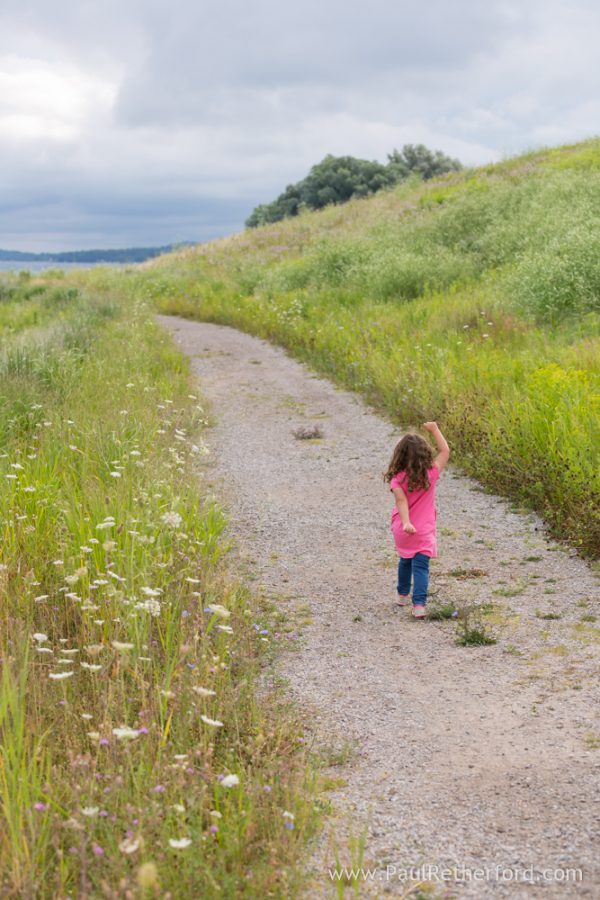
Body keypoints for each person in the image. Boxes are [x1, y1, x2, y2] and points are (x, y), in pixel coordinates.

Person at [384, 422, 450, 619]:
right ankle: (419, 605)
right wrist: (435, 429)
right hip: (423, 530)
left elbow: (401, 500)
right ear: (424, 454)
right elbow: (445, 450)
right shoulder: (431, 473)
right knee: (421, 566)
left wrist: (406, 523)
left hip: (403, 529)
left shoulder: (397, 479)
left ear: (399, 456)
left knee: (405, 560)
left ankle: (402, 595)